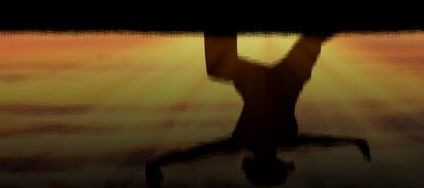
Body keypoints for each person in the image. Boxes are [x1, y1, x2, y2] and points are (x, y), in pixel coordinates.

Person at [145, 34, 370, 187]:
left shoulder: (279, 140)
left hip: (277, 80)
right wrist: (352, 142)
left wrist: (353, 142)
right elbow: (198, 154)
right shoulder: (248, 141)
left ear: (275, 163)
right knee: (217, 66)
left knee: (314, 36)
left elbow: (197, 153)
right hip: (282, 80)